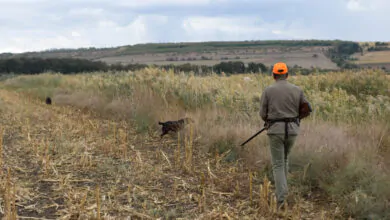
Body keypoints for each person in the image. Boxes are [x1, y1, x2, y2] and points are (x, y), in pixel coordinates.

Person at [259, 62, 312, 209]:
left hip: (275, 130)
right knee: (285, 159)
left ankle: (281, 200)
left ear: (274, 75)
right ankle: (284, 192)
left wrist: (270, 121)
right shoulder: (297, 90)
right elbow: (307, 109)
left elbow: (263, 114)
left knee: (278, 164)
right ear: (287, 75)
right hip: (293, 130)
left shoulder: (268, 90)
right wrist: (296, 119)